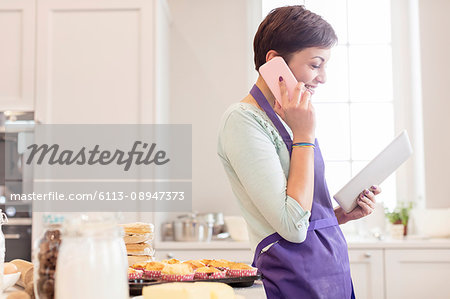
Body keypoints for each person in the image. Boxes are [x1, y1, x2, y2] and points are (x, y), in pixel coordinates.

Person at [217, 5, 381, 299]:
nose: (323, 77)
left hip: (331, 270)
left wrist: (336, 217)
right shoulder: (242, 120)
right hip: (293, 279)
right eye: (315, 64)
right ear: (275, 61)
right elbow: (291, 228)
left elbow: (300, 214)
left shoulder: (291, 117)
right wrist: (305, 136)